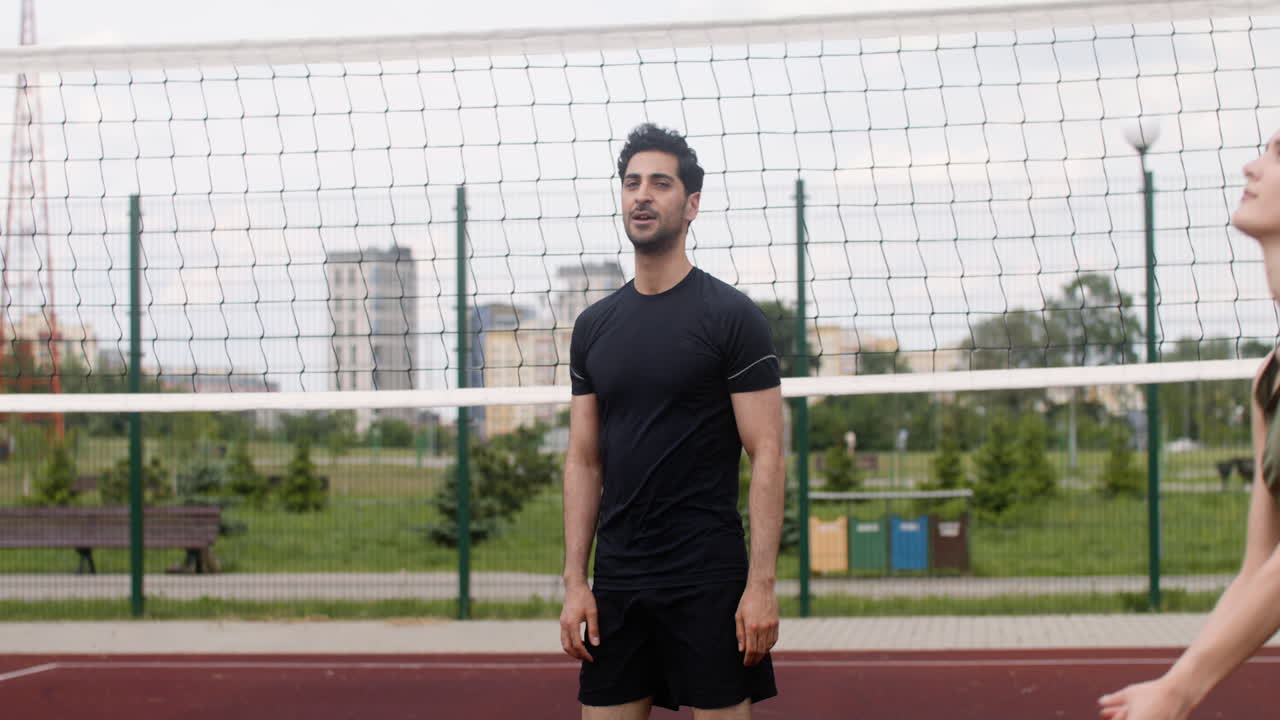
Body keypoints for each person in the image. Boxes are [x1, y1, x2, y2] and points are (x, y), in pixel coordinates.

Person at [558, 123, 786, 719]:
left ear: (691, 206)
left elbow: (768, 453)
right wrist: (574, 582)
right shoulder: (593, 326)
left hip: (707, 578)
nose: (642, 195)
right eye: (632, 183)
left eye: (660, 184)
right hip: (619, 579)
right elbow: (584, 459)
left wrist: (760, 584)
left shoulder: (733, 318)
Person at [1099, 128, 1280, 719]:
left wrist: (1179, 691)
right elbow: (1259, 569)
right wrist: (1167, 688)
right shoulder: (1269, 381)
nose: (1251, 166)